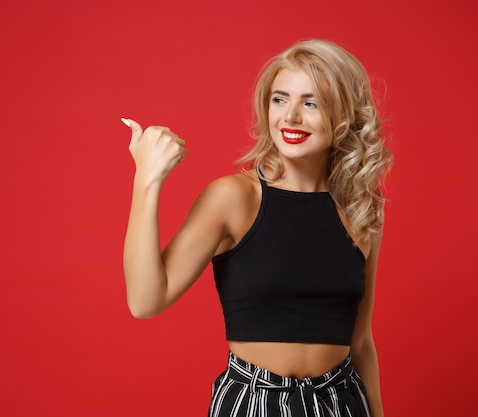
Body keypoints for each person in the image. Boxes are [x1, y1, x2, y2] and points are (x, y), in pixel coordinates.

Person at [122, 39, 392, 417]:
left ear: (346, 114)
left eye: (311, 103)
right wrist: (147, 180)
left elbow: (361, 342)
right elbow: (145, 301)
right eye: (279, 100)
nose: (290, 117)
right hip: (254, 402)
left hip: (342, 401)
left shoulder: (362, 208)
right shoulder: (233, 198)